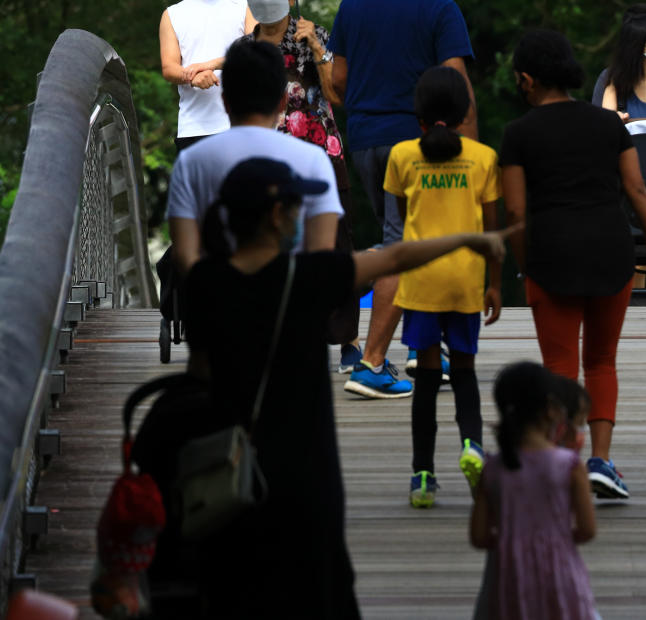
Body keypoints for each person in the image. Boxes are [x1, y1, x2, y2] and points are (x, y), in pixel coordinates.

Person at [183, 156, 508, 619]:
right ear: (276, 216)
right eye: (297, 207)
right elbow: (393, 257)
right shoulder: (307, 278)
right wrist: (469, 239)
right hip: (303, 470)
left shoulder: (205, 283)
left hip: (225, 468)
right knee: (323, 589)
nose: (302, 217)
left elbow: (199, 374)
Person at [500, 29, 646, 499]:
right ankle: (601, 461)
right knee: (601, 362)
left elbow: (515, 213)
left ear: (527, 79)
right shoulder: (607, 125)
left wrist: (525, 267)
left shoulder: (518, 134)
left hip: (551, 255)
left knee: (559, 365)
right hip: (611, 252)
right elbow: (637, 192)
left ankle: (562, 463)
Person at [329, 0, 476, 399]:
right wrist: (469, 154)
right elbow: (457, 87)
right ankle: (371, 364)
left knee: (409, 237)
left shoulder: (354, 2)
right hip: (413, 145)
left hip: (365, 142)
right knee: (404, 245)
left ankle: (418, 345)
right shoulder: (441, 8)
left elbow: (340, 83)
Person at [383, 66, 502, 506]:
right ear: (463, 112)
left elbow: (402, 211)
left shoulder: (401, 156)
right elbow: (492, 231)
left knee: (428, 379)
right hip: (465, 279)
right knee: (465, 371)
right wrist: (495, 287)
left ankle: (422, 476)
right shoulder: (484, 157)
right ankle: (472, 446)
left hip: (422, 281)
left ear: (418, 114)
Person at [241, 0, 359, 368]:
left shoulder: (313, 35)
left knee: (336, 243)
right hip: (269, 160)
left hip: (321, 152)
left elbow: (337, 96)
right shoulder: (245, 49)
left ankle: (346, 340)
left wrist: (317, 46)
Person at [166, 39, 347, 282]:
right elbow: (322, 253)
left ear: (225, 102)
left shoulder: (191, 162)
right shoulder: (313, 159)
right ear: (282, 101)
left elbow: (185, 255)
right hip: (290, 309)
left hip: (216, 309)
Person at [469, 361, 597, 620]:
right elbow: (587, 529)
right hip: (560, 573)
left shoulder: (492, 468)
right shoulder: (569, 466)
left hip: (507, 576)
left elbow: (479, 536)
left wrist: (512, 542)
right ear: (551, 410)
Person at [158, 0, 255, 151]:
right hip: (194, 129)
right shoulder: (172, 14)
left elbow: (255, 52)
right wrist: (192, 77)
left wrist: (211, 65)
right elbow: (169, 68)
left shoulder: (244, 5)